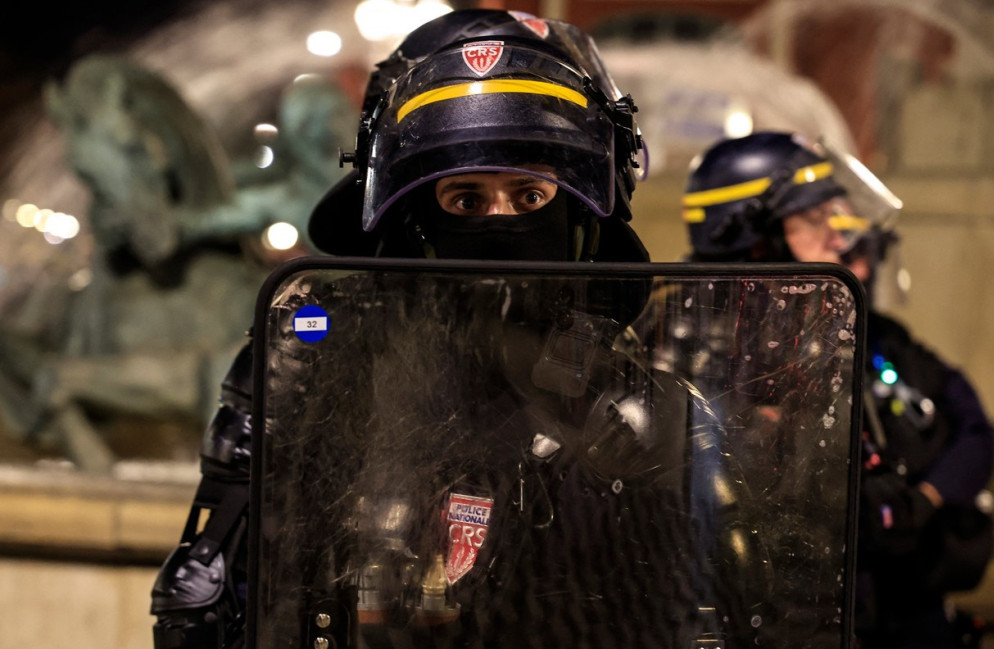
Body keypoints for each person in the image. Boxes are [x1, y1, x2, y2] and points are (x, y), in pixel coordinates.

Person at [150, 10, 654, 649]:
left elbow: (695, 604)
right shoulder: (317, 353)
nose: (498, 222)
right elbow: (206, 589)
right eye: (465, 199)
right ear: (412, 212)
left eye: (530, 195)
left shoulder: (634, 395)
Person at [679, 130, 994, 649]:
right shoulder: (700, 357)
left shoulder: (847, 334)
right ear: (753, 238)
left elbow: (972, 426)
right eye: (814, 218)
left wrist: (919, 500)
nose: (839, 237)